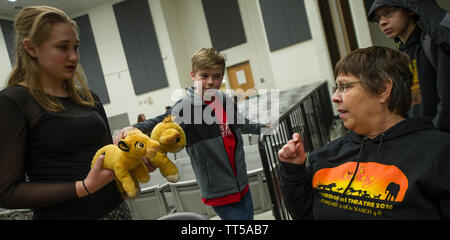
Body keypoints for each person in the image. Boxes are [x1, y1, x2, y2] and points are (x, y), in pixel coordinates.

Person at [278, 46, 450, 219]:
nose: (335, 97)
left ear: (383, 89)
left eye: (345, 87)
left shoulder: (439, 153)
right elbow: (305, 213)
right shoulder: (325, 156)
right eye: (336, 88)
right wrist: (294, 171)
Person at [0, 6, 132, 219]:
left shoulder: (89, 98)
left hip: (117, 211)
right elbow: (7, 192)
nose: (74, 57)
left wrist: (132, 161)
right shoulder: (14, 101)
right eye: (63, 48)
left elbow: (109, 159)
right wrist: (83, 187)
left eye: (76, 47)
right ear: (31, 48)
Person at [114, 48, 269, 220]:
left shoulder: (224, 99)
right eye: (204, 76)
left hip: (241, 183)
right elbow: (162, 121)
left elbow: (241, 123)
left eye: (217, 76)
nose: (211, 82)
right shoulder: (186, 107)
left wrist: (265, 128)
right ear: (193, 75)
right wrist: (136, 128)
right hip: (218, 190)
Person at [367, 0, 450, 133]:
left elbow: (447, 97)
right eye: (378, 18)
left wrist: (436, 132)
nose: (382, 22)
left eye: (388, 12)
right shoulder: (400, 56)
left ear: (409, 9)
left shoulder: (432, 43)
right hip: (422, 138)